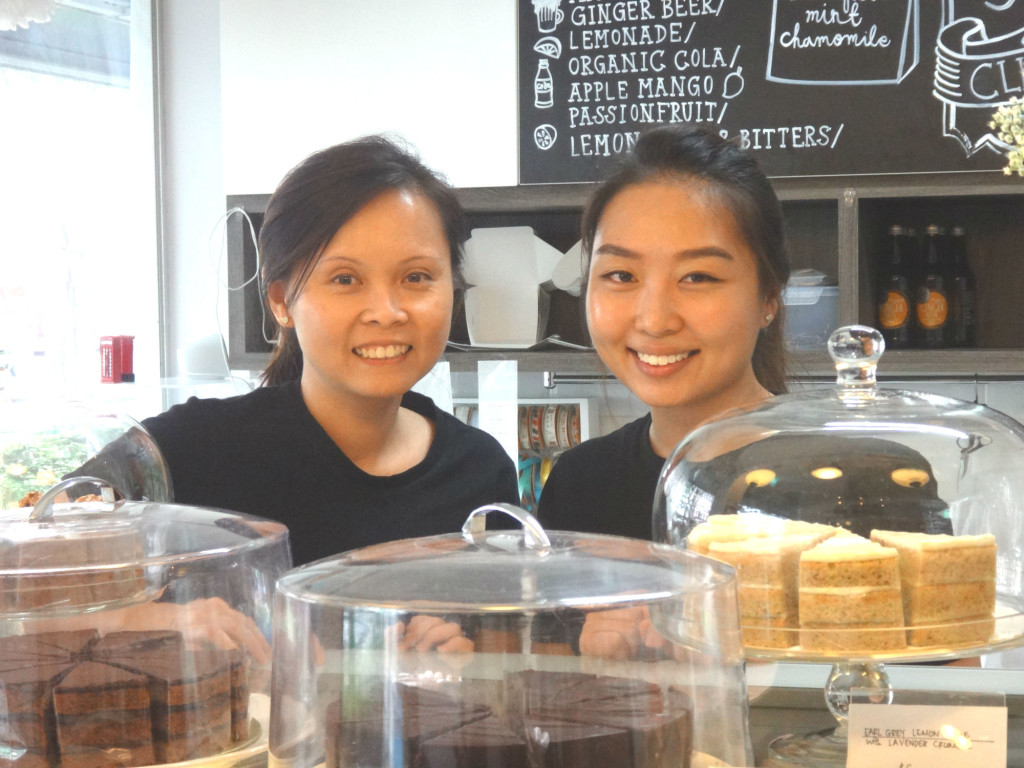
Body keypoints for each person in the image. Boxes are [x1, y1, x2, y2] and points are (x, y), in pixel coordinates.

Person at [139, 135, 520, 566]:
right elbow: (53, 549)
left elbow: (502, 623)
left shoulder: (479, 471)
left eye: (416, 277)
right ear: (281, 301)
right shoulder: (191, 451)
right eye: (345, 280)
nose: (387, 312)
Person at [537, 122, 791, 542]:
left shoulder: (848, 482)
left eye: (697, 277)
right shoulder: (580, 485)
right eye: (621, 274)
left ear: (768, 297)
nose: (654, 320)